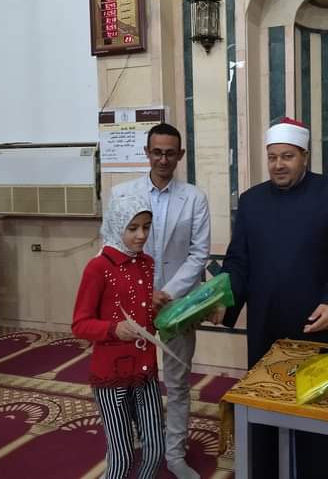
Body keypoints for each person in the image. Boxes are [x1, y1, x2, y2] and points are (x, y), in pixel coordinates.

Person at [220, 117, 328, 479]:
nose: (278, 164)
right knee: (269, 409)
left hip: (320, 328)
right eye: (272, 157)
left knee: (323, 414)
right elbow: (238, 262)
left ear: (305, 156)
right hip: (268, 328)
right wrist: (222, 300)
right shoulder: (251, 201)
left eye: (287, 156)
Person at [108, 123, 210, 479]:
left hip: (177, 304)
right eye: (157, 152)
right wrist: (140, 293)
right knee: (130, 380)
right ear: (147, 153)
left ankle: (175, 454)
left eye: (170, 153)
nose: (163, 159)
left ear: (180, 155)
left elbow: (198, 254)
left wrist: (166, 294)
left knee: (178, 382)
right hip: (130, 305)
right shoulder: (122, 194)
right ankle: (135, 443)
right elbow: (111, 247)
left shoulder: (195, 198)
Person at [72, 194, 164, 479]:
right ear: (116, 225)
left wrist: (166, 313)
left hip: (145, 371)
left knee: (155, 450)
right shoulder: (98, 267)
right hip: (111, 376)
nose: (141, 235)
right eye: (132, 228)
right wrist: (114, 329)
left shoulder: (147, 263)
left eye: (146, 227)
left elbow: (146, 318)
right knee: (121, 457)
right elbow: (80, 324)